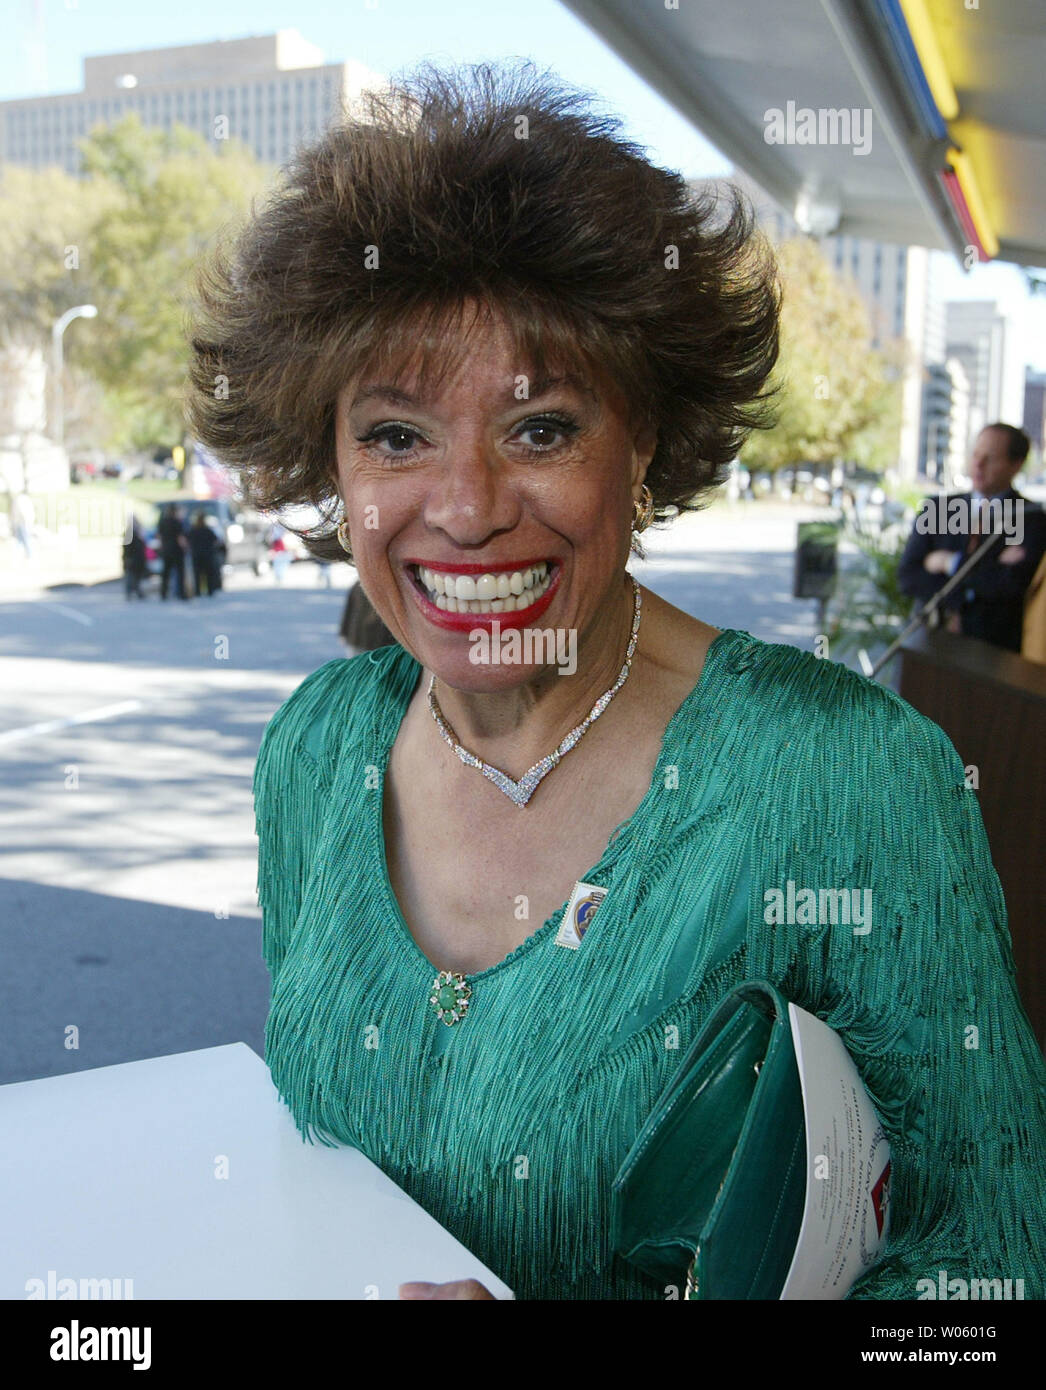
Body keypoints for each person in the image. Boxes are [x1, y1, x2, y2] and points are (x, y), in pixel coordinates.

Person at [185, 62, 1046, 1301]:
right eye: (394, 434)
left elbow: (989, 1271)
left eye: (540, 428)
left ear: (641, 444)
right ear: (325, 463)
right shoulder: (317, 751)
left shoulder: (844, 778)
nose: (468, 509)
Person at [898, 424, 1046, 653]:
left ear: (1016, 465)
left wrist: (949, 563)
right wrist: (968, 592)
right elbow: (908, 576)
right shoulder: (937, 510)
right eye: (976, 454)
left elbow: (1011, 586)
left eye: (991, 458)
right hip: (929, 646)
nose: (978, 464)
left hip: (993, 655)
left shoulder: (1031, 518)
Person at [157, 504, 189, 600]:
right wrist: (185, 547)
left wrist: (162, 546)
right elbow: (180, 538)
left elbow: (159, 537)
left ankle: (163, 594)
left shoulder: (162, 522)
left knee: (165, 573)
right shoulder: (177, 522)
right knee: (180, 573)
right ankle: (181, 593)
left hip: (166, 550)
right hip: (176, 551)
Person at [188, 510, 222, 597]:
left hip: (196, 555)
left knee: (197, 574)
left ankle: (198, 591)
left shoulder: (193, 530)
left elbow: (187, 540)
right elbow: (216, 541)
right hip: (208, 554)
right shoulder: (208, 530)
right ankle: (210, 590)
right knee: (208, 573)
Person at [122, 516, 148, 599]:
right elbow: (127, 547)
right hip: (132, 558)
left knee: (137, 576)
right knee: (131, 576)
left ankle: (137, 591)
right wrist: (127, 558)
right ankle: (130, 592)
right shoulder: (129, 533)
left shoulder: (139, 532)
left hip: (138, 558)